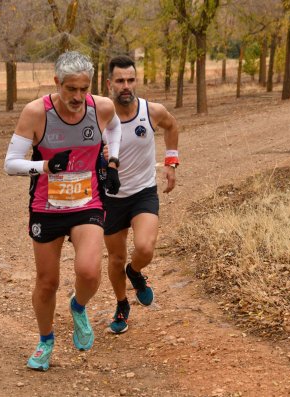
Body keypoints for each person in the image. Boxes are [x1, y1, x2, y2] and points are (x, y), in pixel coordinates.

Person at [3, 51, 122, 371]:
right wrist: (43, 166)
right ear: (57, 83)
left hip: (88, 203)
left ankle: (78, 307)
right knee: (47, 282)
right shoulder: (35, 113)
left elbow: (114, 128)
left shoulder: (102, 107)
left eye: (84, 89)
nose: (78, 97)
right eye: (71, 89)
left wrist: (112, 161)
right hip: (47, 207)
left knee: (89, 271)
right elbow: (10, 163)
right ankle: (45, 341)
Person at [103, 55, 179, 334]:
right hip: (110, 198)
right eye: (120, 81)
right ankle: (122, 305)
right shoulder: (99, 116)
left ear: (137, 81)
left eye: (131, 80)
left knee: (145, 248)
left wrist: (171, 163)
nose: (126, 86)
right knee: (115, 258)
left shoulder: (151, 111)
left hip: (143, 192)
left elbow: (172, 126)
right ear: (109, 83)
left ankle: (135, 273)